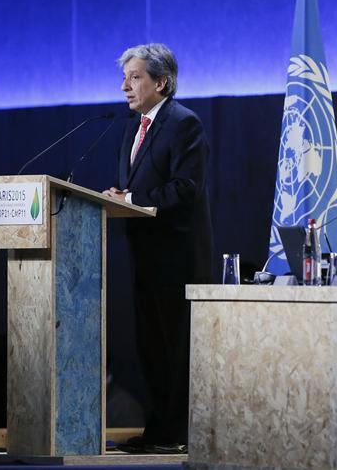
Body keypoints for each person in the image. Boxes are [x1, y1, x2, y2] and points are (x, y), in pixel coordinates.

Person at [103, 43, 213, 453]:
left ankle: (180, 433)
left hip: (177, 258)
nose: (125, 87)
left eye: (135, 78)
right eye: (125, 78)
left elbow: (186, 189)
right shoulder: (133, 127)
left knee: (175, 348)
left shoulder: (185, 125)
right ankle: (160, 430)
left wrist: (132, 201)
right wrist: (119, 196)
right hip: (143, 254)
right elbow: (137, 187)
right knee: (148, 346)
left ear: (161, 82)